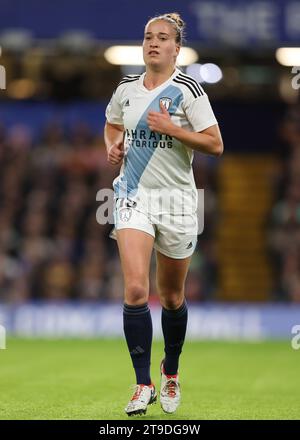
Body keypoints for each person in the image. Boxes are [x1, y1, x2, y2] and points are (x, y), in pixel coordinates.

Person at [104, 12, 223, 416]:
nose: (153, 43)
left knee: (172, 297)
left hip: (177, 202)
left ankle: (170, 371)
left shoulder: (188, 90)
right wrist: (113, 144)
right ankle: (142, 384)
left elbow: (215, 145)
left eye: (162, 38)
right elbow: (112, 123)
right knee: (137, 290)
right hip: (132, 195)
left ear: (176, 48)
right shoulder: (125, 88)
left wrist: (173, 129)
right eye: (148, 37)